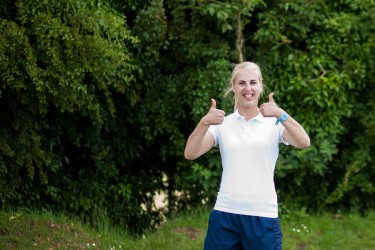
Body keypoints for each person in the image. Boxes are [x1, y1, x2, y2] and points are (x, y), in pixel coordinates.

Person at [184, 61, 310, 250]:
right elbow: (190, 153)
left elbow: (304, 142)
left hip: (263, 215)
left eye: (253, 82)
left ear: (261, 86)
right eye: (242, 83)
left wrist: (280, 114)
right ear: (233, 87)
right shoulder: (222, 123)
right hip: (225, 214)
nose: (248, 88)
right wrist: (204, 123)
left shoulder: (274, 123)